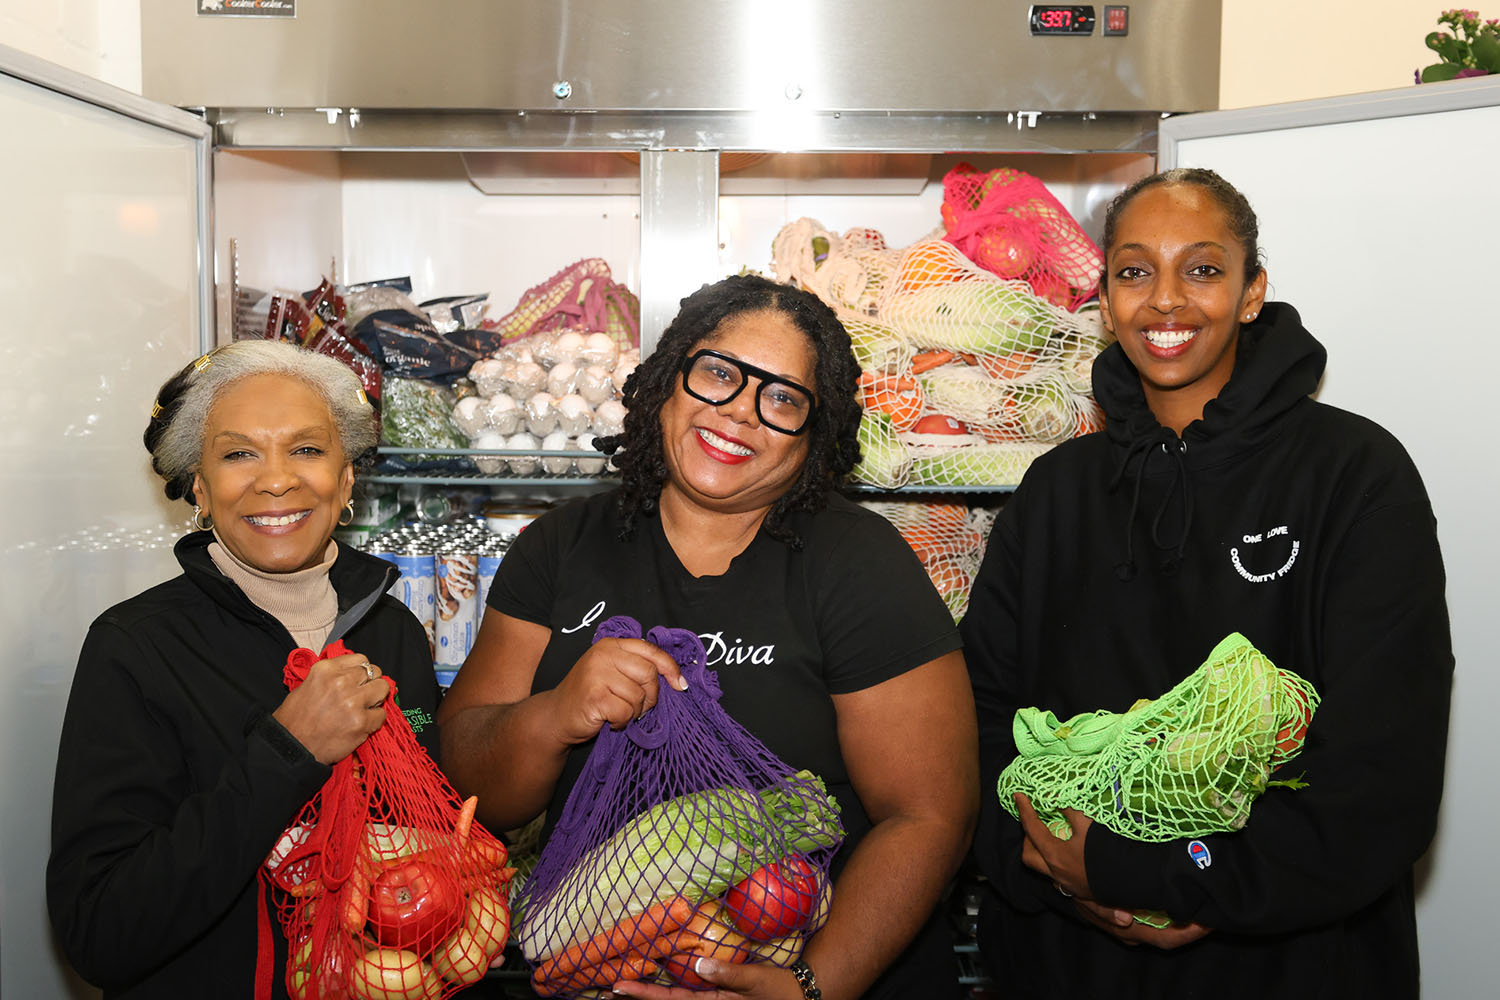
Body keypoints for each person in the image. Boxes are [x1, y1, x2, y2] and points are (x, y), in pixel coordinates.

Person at [962, 168, 1453, 997]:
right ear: (1105, 298)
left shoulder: (1354, 474)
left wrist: (1176, 880)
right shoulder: (1056, 491)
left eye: (1202, 268)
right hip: (1067, 959)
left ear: (1253, 291)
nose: (1165, 301)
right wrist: (1059, 871)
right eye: (1133, 270)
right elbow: (976, 725)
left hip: (1291, 963)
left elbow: (1384, 770)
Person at [438, 273, 979, 1000]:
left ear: (814, 435)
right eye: (719, 374)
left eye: (783, 398)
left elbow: (930, 815)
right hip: (598, 969)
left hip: (816, 958)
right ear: (669, 378)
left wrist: (813, 985)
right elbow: (471, 782)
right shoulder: (564, 545)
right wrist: (555, 714)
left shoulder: (859, 565)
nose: (739, 415)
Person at [47, 340, 441, 998]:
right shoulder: (136, 648)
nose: (276, 479)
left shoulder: (392, 630)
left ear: (346, 479)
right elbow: (101, 933)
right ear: (200, 487)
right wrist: (286, 753)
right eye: (238, 454)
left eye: (308, 449)